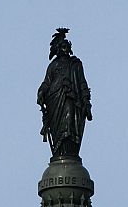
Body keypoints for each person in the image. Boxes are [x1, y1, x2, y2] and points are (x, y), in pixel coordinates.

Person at [38, 28, 92, 159]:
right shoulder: (53, 65)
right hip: (55, 99)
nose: (66, 48)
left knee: (71, 122)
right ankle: (59, 152)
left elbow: (82, 82)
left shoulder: (75, 64)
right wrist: (41, 91)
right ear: (57, 48)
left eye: (67, 46)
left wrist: (86, 100)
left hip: (71, 97)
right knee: (58, 127)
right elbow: (47, 82)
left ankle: (70, 152)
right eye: (63, 46)